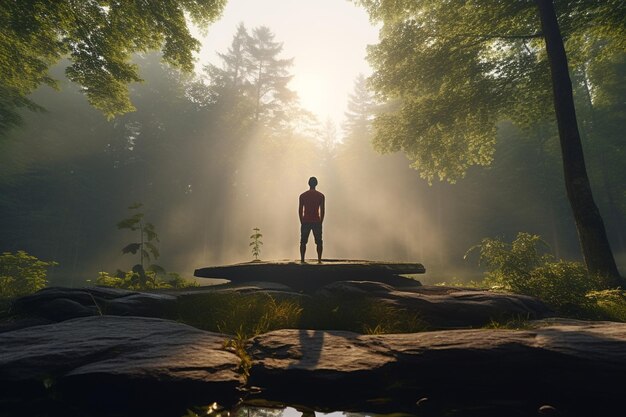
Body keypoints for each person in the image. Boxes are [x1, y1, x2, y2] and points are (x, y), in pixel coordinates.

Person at [299, 176, 325, 263]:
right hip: (316, 221)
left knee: (303, 241)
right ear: (316, 184)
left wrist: (302, 221)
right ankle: (319, 260)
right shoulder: (321, 196)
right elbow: (322, 210)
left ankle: (302, 259)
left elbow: (300, 210)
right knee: (319, 242)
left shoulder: (303, 196)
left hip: (306, 221)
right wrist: (320, 221)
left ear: (308, 184)